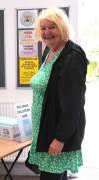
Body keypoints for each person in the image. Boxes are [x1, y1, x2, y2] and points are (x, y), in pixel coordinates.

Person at [26, 8, 89, 180]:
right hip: (45, 128)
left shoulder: (72, 56)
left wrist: (60, 138)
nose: (47, 32)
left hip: (57, 132)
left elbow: (73, 104)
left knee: (50, 177)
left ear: (62, 27)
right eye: (43, 28)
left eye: (52, 27)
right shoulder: (48, 51)